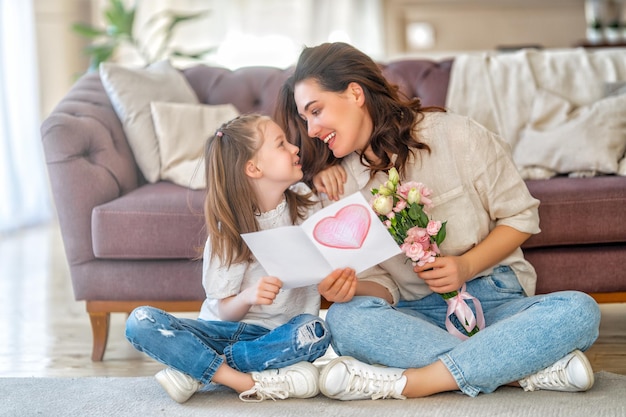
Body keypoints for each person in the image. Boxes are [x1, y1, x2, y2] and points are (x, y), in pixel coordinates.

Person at [275, 42, 601, 400]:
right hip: (418, 315)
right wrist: (346, 289)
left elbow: (521, 216)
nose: (311, 129)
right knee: (344, 318)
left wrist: (465, 265)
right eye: (305, 119)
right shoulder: (339, 184)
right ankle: (519, 370)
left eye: (316, 111)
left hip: (496, 300)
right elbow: (386, 288)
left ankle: (418, 382)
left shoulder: (458, 135)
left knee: (579, 310)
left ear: (355, 93)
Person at [125, 114, 359, 403]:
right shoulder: (229, 230)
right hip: (220, 331)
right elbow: (222, 311)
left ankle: (196, 369)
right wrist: (248, 296)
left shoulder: (305, 201)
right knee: (140, 321)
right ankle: (242, 380)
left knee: (316, 331)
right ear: (253, 167)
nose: (295, 147)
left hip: (276, 337)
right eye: (281, 144)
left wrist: (326, 172)